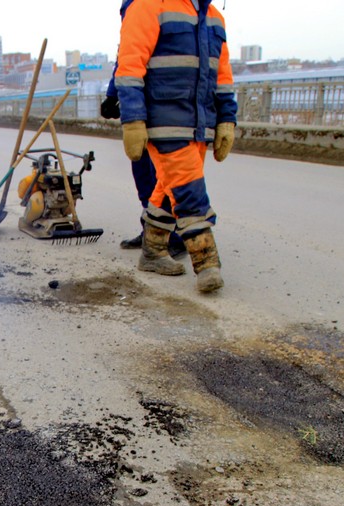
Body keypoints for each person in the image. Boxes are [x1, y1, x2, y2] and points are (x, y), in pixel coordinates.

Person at [115, 0, 238, 292]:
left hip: (199, 122)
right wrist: (133, 120)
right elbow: (129, 65)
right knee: (189, 189)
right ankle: (206, 263)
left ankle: (153, 251)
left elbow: (222, 76)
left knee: (168, 188)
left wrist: (226, 120)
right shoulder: (148, 5)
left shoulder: (214, 17)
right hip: (163, 119)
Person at [102, 73, 186, 263]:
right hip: (136, 114)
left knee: (163, 180)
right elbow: (124, 63)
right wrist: (112, 94)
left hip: (166, 110)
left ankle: (173, 237)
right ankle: (150, 234)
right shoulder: (131, 43)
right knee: (144, 179)